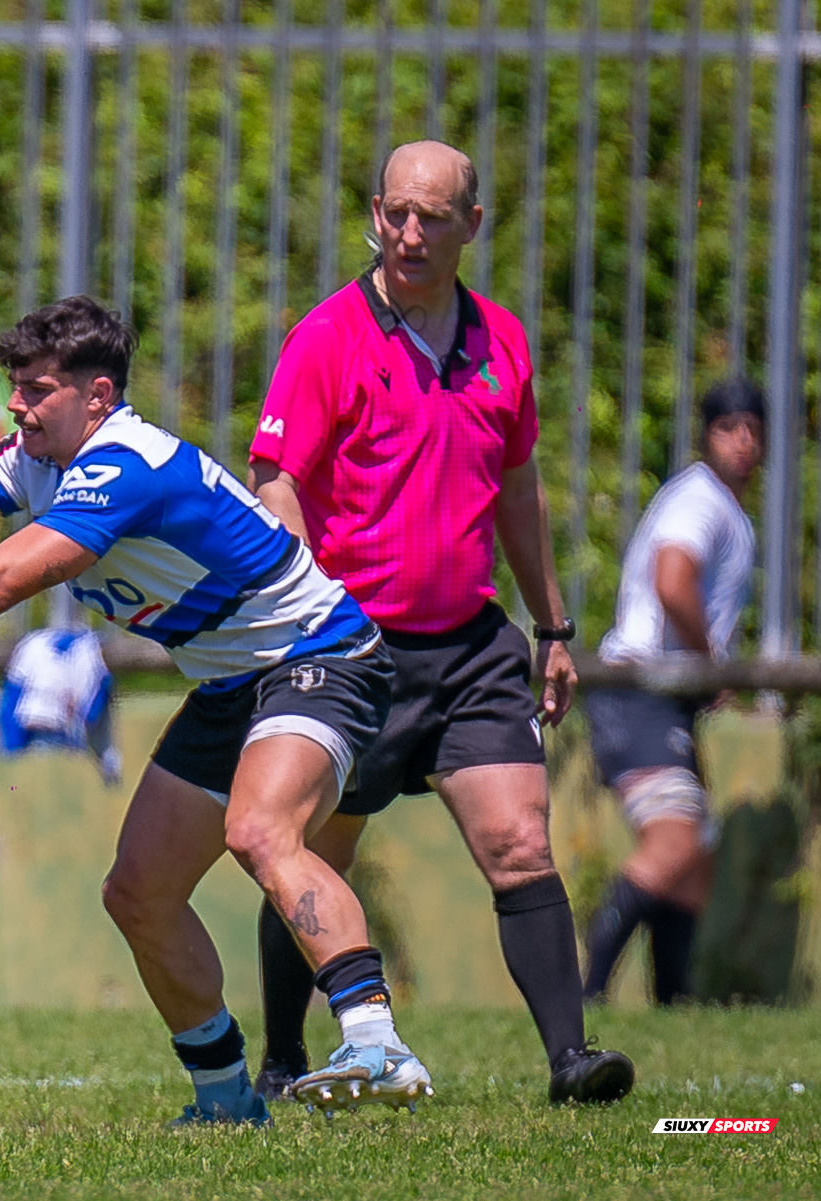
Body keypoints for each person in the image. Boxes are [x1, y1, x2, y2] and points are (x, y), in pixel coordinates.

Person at [0, 295, 433, 1124]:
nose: (16, 405)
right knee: (138, 891)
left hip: (322, 658)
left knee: (260, 831)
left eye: (37, 389)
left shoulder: (123, 466)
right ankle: (224, 1098)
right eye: (15, 387)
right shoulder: (40, 456)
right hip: (233, 681)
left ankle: (376, 1040)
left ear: (98, 395)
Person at [245, 139, 632, 1105]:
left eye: (433, 216)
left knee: (519, 843)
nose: (411, 232)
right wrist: (306, 611)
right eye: (395, 213)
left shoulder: (502, 339)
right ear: (376, 214)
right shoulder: (329, 336)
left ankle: (570, 1062)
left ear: (473, 223)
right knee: (313, 852)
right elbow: (275, 479)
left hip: (470, 646)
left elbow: (518, 484)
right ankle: (286, 1059)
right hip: (352, 651)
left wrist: (551, 626)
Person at [581, 380, 765, 1005]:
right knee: (675, 844)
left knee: (695, 866)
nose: (743, 441)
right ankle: (586, 995)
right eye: (728, 427)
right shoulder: (702, 500)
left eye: (753, 428)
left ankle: (676, 1009)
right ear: (706, 435)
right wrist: (710, 665)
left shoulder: (729, 513)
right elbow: (672, 579)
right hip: (637, 689)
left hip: (661, 698)